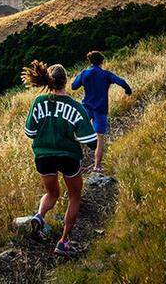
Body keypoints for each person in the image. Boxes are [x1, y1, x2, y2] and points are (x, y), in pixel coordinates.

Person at [21, 60, 98, 257]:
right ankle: (63, 241)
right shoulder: (76, 107)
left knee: (52, 193)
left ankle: (39, 216)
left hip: (43, 156)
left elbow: (30, 132)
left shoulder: (38, 102)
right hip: (68, 158)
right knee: (74, 196)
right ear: (66, 80)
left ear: (48, 81)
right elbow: (90, 141)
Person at [71, 50, 132, 174]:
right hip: (101, 110)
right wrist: (128, 91)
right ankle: (97, 166)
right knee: (100, 139)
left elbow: (73, 86)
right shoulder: (106, 74)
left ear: (90, 61)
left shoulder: (84, 73)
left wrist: (82, 77)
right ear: (102, 61)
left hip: (86, 108)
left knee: (76, 133)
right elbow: (122, 82)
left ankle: (76, 164)